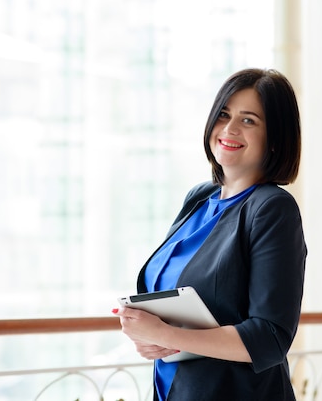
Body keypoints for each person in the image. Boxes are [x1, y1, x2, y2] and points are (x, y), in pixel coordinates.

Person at [113, 68, 307, 401]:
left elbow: (270, 338)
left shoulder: (272, 208)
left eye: (249, 120)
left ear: (275, 138)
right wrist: (152, 337)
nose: (229, 129)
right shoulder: (199, 198)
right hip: (175, 388)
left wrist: (168, 334)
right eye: (224, 115)